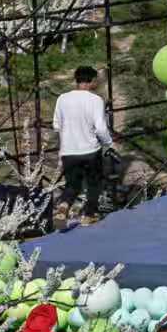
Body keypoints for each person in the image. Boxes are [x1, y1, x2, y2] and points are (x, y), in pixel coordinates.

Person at [52, 66, 113, 219]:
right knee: (94, 183)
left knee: (72, 185)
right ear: (92, 81)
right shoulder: (96, 100)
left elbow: (56, 125)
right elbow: (100, 128)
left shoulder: (62, 99)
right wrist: (108, 142)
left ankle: (64, 205)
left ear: (76, 80)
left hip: (68, 151)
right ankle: (89, 215)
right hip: (90, 150)